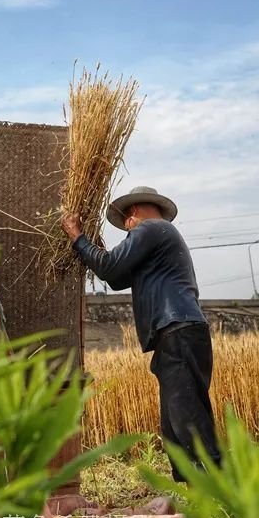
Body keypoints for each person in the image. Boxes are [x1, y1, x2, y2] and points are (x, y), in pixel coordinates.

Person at [62, 185, 221, 482]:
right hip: (176, 332)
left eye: (125, 228)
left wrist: (76, 236)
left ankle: (216, 492)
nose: (127, 232)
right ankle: (198, 491)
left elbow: (109, 267)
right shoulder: (159, 238)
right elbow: (117, 277)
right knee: (175, 423)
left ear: (132, 214)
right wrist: (91, 246)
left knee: (187, 417)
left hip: (177, 329)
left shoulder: (150, 229)